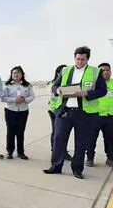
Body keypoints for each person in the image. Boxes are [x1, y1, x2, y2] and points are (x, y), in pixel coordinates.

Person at [43, 46, 107, 179]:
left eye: (82, 59)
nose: (79, 62)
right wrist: (58, 90)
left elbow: (102, 90)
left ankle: (77, 169)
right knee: (58, 139)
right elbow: (55, 86)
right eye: (77, 59)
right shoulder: (66, 70)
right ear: (74, 58)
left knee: (81, 142)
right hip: (65, 110)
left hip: (84, 113)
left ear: (87, 59)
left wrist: (86, 93)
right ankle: (56, 166)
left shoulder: (95, 72)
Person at [86, 62, 113, 169]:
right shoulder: (93, 84)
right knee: (91, 138)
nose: (106, 72)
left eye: (108, 70)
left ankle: (111, 159)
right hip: (95, 116)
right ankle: (89, 158)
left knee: (109, 139)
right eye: (103, 70)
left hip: (110, 116)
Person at [0, 66, 35, 159]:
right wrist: (14, 100)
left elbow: (32, 96)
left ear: (22, 75)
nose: (16, 74)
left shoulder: (27, 85)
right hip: (10, 111)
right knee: (10, 131)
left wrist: (24, 99)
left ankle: (21, 152)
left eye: (18, 73)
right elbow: (3, 98)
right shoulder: (7, 85)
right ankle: (10, 152)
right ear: (11, 75)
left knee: (20, 132)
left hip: (23, 111)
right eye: (14, 73)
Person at [47, 64, 73, 163]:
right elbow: (54, 96)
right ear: (58, 73)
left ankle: (62, 151)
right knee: (56, 132)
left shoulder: (66, 84)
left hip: (64, 111)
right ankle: (55, 151)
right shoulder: (53, 84)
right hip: (54, 111)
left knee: (63, 133)